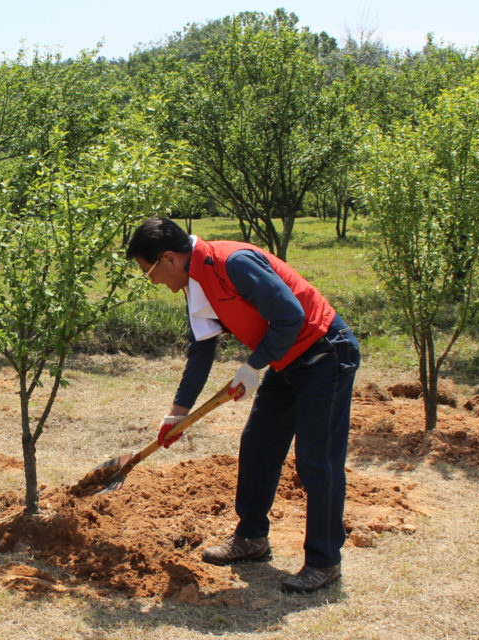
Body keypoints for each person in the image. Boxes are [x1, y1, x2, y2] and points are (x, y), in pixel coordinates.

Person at [124, 217, 360, 593]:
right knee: (258, 446)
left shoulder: (231, 263)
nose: (154, 281)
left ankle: (324, 560)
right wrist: (178, 413)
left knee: (318, 462)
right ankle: (252, 538)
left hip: (324, 353)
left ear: (169, 258)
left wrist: (253, 367)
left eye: (149, 271)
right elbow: (201, 349)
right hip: (288, 359)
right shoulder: (195, 283)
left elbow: (291, 316)